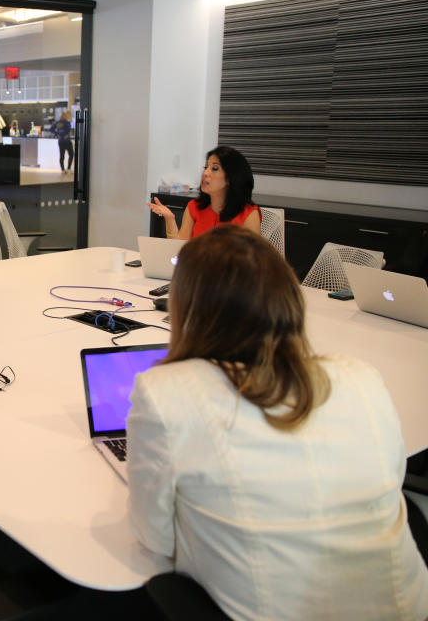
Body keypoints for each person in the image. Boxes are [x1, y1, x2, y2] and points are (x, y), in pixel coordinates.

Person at [126, 225, 428, 620]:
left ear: (187, 306)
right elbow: (389, 483)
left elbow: (156, 539)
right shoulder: (361, 376)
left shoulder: (167, 393)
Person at [146, 145, 260, 239]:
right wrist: (169, 218)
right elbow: (179, 250)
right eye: (206, 167)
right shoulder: (194, 207)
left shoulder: (249, 213)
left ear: (232, 177)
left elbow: (254, 261)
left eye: (214, 168)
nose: (205, 173)